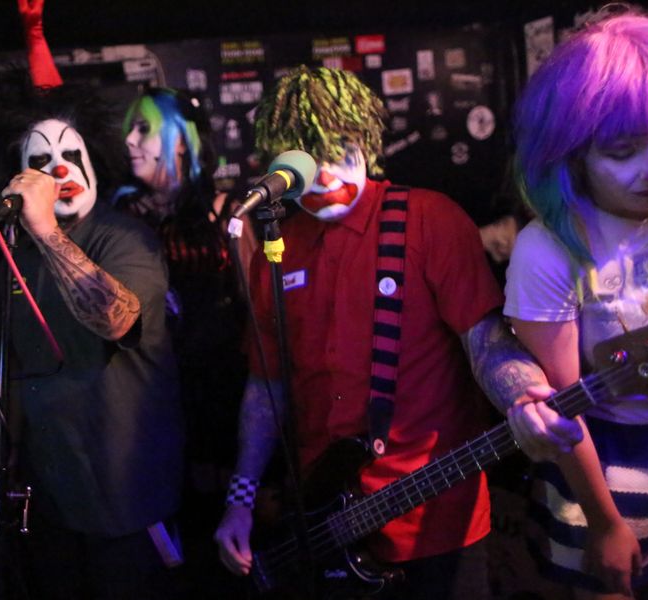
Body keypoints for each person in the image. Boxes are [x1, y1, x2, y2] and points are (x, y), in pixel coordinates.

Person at [212, 66, 580, 600]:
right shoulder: (275, 248)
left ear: (365, 140)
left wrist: (522, 395)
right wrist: (240, 500)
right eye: (309, 157)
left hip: (437, 521)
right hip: (325, 525)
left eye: (341, 150)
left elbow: (485, 341)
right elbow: (266, 387)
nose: (327, 174)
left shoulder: (429, 220)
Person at [18, 0, 257, 499]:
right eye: (128, 127)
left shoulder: (228, 213)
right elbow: (55, 124)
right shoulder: (120, 210)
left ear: (182, 140)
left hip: (220, 390)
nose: (129, 140)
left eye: (143, 127)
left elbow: (259, 317)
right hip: (145, 389)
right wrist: (36, 38)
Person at [0, 81, 185, 599]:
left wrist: (46, 230)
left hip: (126, 500)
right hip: (57, 500)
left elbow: (117, 320)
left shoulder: (124, 237)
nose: (60, 170)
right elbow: (18, 367)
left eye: (71, 156)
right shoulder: (14, 258)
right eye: (41, 161)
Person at [505, 5, 648, 598]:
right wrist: (603, 523)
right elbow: (563, 409)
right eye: (623, 151)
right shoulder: (547, 249)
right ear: (572, 153)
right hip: (607, 457)